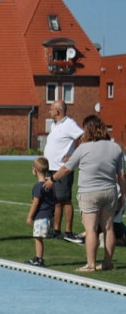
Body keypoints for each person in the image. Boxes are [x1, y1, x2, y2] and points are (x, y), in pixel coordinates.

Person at [47, 115, 126, 273]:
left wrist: (52, 179)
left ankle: (90, 264)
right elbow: (121, 176)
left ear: (88, 130)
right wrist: (122, 195)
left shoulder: (83, 148)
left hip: (89, 192)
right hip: (110, 191)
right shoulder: (116, 148)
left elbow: (66, 168)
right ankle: (107, 263)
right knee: (108, 228)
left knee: (90, 229)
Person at [44, 100, 84, 243]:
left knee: (65, 199)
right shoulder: (55, 125)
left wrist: (74, 156)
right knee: (56, 200)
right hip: (52, 167)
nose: (49, 112)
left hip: (62, 168)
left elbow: (84, 137)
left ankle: (68, 231)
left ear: (58, 111)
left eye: (51, 109)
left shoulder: (69, 124)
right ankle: (56, 230)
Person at [26, 157, 56, 267]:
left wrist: (30, 216)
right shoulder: (50, 185)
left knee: (38, 238)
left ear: (35, 170)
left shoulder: (38, 186)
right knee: (39, 237)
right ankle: (38, 257)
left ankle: (39, 258)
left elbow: (36, 202)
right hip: (49, 215)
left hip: (41, 215)